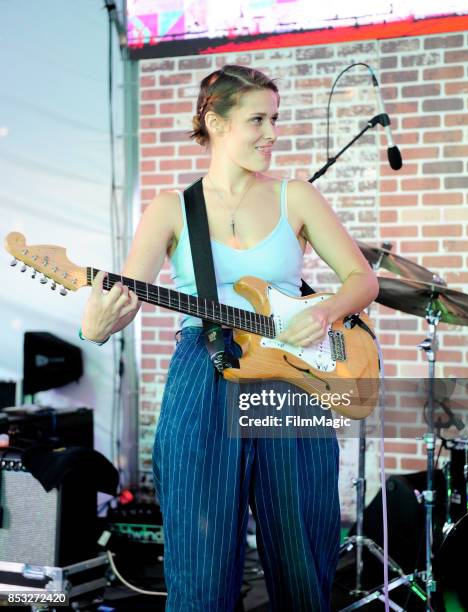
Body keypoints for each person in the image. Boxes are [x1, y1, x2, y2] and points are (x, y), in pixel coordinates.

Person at [80, 65, 378, 611]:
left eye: (275, 119)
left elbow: (365, 279)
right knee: (200, 561)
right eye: (257, 119)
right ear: (215, 122)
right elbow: (128, 298)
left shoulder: (297, 196)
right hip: (204, 366)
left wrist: (329, 310)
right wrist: (96, 324)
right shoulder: (172, 208)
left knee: (303, 553)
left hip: (292, 381)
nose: (272, 133)